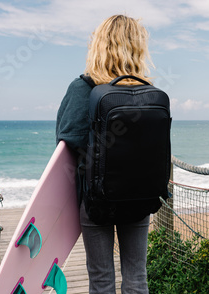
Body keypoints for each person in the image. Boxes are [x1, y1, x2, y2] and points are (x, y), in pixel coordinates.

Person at [55, 15, 153, 294]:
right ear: (137, 48)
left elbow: (67, 144)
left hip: (96, 199)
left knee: (101, 279)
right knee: (137, 277)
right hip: (139, 196)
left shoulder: (83, 89)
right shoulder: (147, 93)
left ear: (98, 45)